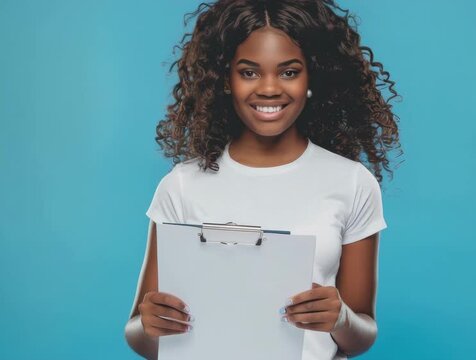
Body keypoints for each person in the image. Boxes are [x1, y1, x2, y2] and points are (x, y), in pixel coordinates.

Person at [124, 0, 400, 359]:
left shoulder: (352, 183)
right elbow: (138, 333)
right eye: (249, 72)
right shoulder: (182, 185)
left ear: (312, 77)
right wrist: (149, 324)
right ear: (225, 80)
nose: (269, 89)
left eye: (288, 72)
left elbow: (362, 334)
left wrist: (341, 318)